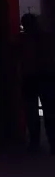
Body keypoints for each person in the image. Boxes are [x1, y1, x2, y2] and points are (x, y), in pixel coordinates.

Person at [19, 13, 55, 152]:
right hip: (47, 77)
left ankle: (35, 143)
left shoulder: (23, 40)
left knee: (32, 113)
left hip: (30, 79)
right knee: (50, 112)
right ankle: (52, 143)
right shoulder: (47, 38)